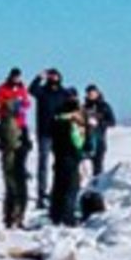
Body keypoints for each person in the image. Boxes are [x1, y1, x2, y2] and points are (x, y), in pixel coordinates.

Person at [48, 87, 86, 226]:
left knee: (59, 185)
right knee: (70, 187)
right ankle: (67, 217)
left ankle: (56, 215)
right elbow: (76, 138)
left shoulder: (58, 115)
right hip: (68, 154)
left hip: (61, 154)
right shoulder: (69, 118)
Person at [30, 67, 66, 204]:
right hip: (44, 132)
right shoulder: (42, 92)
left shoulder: (63, 93)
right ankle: (41, 192)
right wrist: (39, 77)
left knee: (59, 164)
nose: (53, 78)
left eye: (55, 76)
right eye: (50, 76)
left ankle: (56, 191)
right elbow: (31, 89)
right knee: (43, 164)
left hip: (60, 133)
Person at [0, 102, 31, 229]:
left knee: (11, 190)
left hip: (10, 159)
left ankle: (9, 218)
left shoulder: (4, 123)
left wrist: (1, 147)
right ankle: (17, 218)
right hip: (15, 160)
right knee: (19, 191)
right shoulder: (14, 124)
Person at [80, 84, 117, 178]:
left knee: (98, 167)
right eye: (89, 93)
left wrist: (99, 122)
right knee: (81, 166)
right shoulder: (84, 107)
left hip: (99, 140)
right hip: (86, 140)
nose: (91, 95)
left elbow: (112, 122)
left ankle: (97, 188)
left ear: (97, 93)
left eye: (93, 93)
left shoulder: (104, 106)